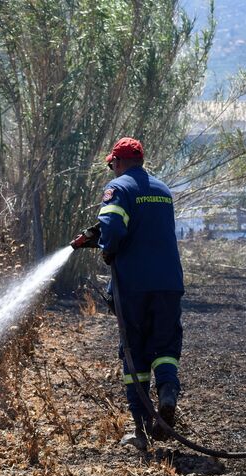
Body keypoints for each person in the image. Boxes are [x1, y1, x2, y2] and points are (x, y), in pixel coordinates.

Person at [97, 137, 185, 451]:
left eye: (112, 164)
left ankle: (141, 429)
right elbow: (144, 226)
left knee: (133, 355)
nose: (112, 168)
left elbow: (114, 227)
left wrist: (106, 250)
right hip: (168, 284)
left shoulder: (117, 187)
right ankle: (167, 394)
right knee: (164, 347)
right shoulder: (163, 191)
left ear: (118, 162)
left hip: (133, 286)